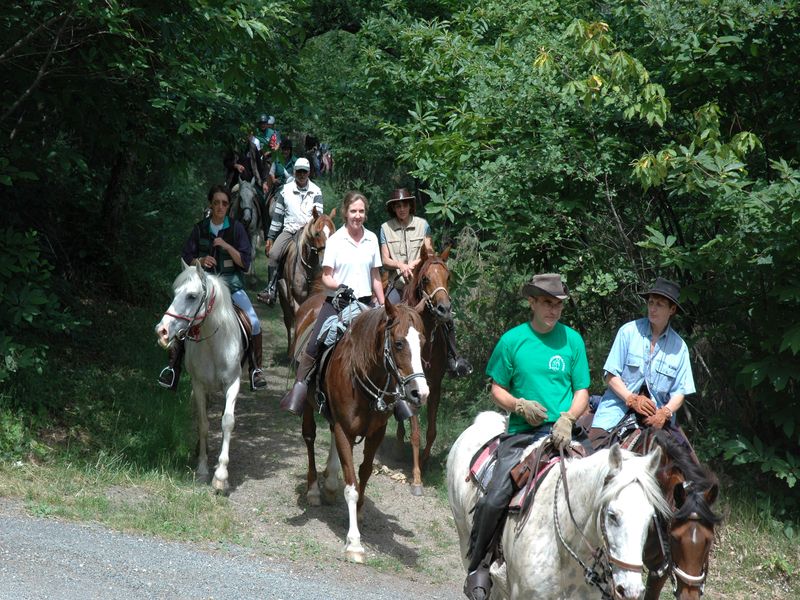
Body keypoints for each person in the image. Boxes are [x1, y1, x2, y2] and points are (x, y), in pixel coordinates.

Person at [463, 273, 590, 600]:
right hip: (522, 436)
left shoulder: (573, 341)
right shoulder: (512, 340)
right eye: (547, 303)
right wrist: (518, 405)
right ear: (531, 302)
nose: (554, 310)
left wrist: (568, 417)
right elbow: (496, 388)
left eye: (558, 304)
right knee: (493, 498)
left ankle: (602, 567)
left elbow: (582, 391)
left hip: (563, 435)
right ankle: (479, 565)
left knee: (602, 487)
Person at [279, 191, 386, 416]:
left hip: (366, 303)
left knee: (389, 344)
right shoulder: (336, 240)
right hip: (337, 301)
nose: (357, 215)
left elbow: (375, 276)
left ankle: (395, 399)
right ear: (346, 213)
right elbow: (326, 276)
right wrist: (340, 287)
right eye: (353, 211)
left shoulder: (373, 239)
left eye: (361, 211)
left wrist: (384, 305)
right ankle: (299, 390)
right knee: (314, 343)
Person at [157, 185, 267, 391]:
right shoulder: (200, 228)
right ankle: (172, 368)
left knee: (254, 323)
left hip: (232, 287)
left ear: (229, 206)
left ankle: (255, 369)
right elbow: (186, 257)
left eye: (224, 203)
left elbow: (245, 262)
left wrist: (226, 246)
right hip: (203, 289)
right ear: (211, 204)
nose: (220, 207)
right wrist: (199, 259)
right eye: (216, 202)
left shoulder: (236, 229)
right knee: (181, 319)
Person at [589, 277, 696, 450]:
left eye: (659, 304)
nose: (652, 308)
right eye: (651, 302)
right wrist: (631, 398)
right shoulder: (628, 332)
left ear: (672, 309)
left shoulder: (680, 347)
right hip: (617, 409)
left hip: (657, 417)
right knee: (592, 452)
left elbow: (680, 392)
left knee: (689, 467)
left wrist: (665, 412)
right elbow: (610, 375)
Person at [379, 188, 472, 377]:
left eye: (405, 205)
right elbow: (385, 259)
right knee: (385, 316)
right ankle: (382, 364)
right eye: (398, 206)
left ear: (410, 206)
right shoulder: (385, 228)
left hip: (420, 283)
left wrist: (412, 265)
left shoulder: (423, 225)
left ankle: (453, 359)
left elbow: (428, 253)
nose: (402, 209)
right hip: (398, 284)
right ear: (393, 209)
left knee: (445, 315)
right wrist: (400, 265)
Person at [257, 157, 323, 305]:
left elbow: (318, 216)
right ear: (294, 172)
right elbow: (277, 217)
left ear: (308, 173)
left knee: (323, 255)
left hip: (309, 232)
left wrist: (310, 229)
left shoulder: (316, 191)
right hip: (290, 230)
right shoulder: (285, 191)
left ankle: (324, 290)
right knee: (274, 254)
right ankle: (271, 289)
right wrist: (271, 237)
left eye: (304, 172)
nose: (301, 174)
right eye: (299, 171)